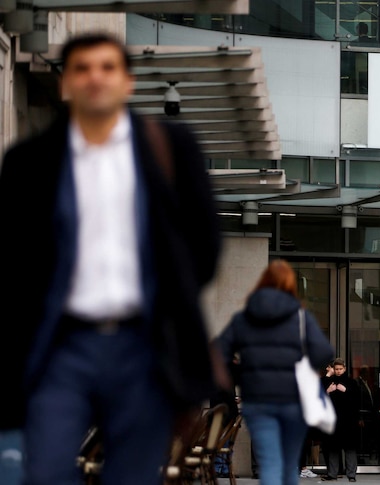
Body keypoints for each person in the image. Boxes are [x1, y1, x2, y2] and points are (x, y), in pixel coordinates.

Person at [0, 33, 222, 485]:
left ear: (128, 83)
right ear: (65, 85)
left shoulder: (169, 148)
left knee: (134, 476)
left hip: (144, 346)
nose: (94, 78)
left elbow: (204, 241)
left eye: (107, 67)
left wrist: (170, 301)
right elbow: (11, 256)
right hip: (61, 347)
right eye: (82, 68)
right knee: (43, 472)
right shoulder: (30, 161)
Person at [216, 259, 334, 485]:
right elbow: (324, 351)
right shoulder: (301, 318)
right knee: (289, 466)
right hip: (294, 399)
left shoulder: (243, 319)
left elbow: (217, 353)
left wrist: (243, 373)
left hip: (258, 400)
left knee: (270, 463)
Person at [323, 358, 360, 482]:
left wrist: (346, 391)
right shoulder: (329, 382)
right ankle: (332, 474)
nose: (338, 371)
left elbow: (357, 399)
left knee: (349, 447)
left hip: (348, 420)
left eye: (340, 369)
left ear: (344, 369)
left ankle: (351, 474)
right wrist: (328, 390)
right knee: (333, 447)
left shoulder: (351, 382)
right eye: (336, 369)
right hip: (334, 419)